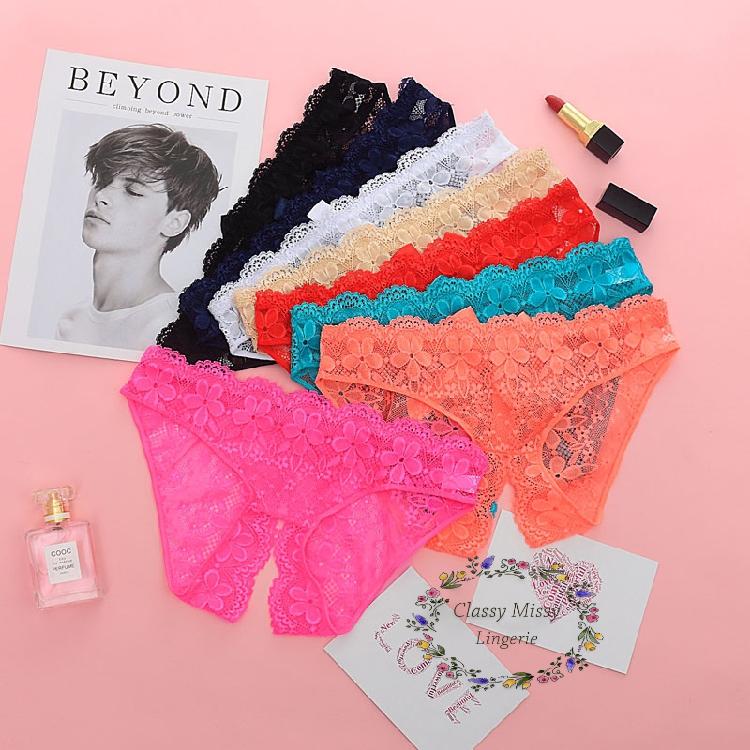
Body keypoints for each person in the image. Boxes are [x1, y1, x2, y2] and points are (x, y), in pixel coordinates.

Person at [56, 123, 220, 350]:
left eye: (132, 191)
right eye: (102, 181)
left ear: (175, 223)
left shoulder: (169, 329)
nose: (101, 196)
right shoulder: (70, 322)